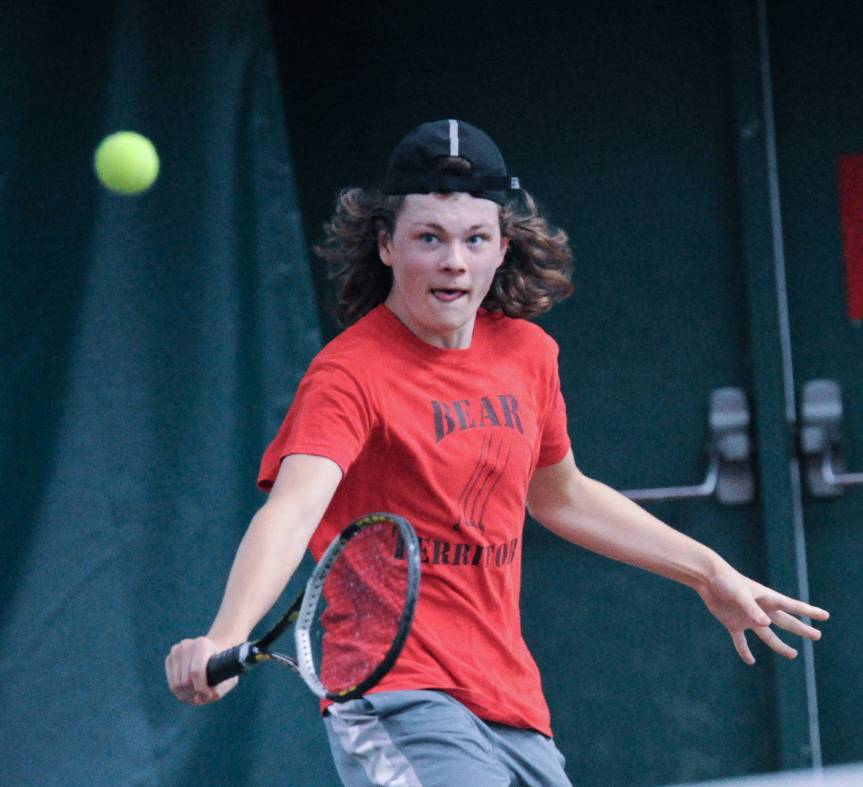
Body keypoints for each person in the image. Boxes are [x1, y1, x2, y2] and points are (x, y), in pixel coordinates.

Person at [165, 119, 829, 786]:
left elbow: (561, 494)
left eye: (474, 238)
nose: (454, 260)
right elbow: (293, 508)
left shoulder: (527, 354)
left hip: (509, 698)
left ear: (502, 246)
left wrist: (708, 572)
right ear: (387, 244)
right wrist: (227, 633)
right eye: (430, 237)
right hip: (396, 691)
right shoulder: (349, 375)